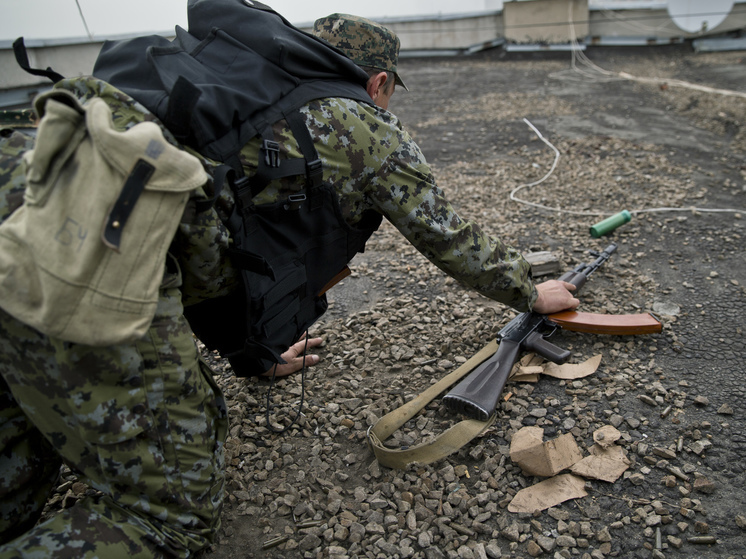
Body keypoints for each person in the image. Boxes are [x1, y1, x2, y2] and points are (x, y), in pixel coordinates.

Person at [0, 10, 578, 559]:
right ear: (379, 81)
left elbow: (220, 239)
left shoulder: (245, 91)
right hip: (86, 238)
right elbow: (447, 235)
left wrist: (256, 352)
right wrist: (529, 290)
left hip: (26, 173)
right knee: (168, 516)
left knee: (20, 455)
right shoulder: (363, 125)